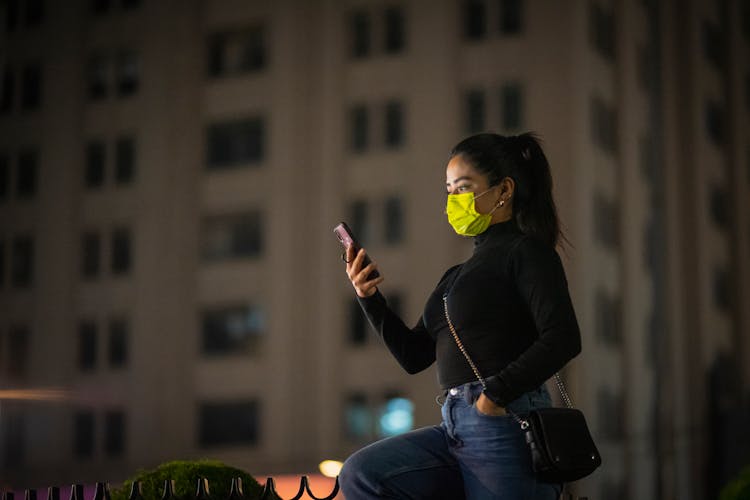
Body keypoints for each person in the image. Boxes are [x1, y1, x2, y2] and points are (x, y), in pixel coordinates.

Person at [338, 132, 582, 500]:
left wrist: (493, 397)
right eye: (449, 190)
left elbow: (563, 337)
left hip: (505, 419)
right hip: (455, 425)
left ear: (503, 190)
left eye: (464, 188)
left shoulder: (527, 253)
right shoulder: (456, 276)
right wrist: (368, 297)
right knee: (364, 474)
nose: (453, 200)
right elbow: (413, 355)